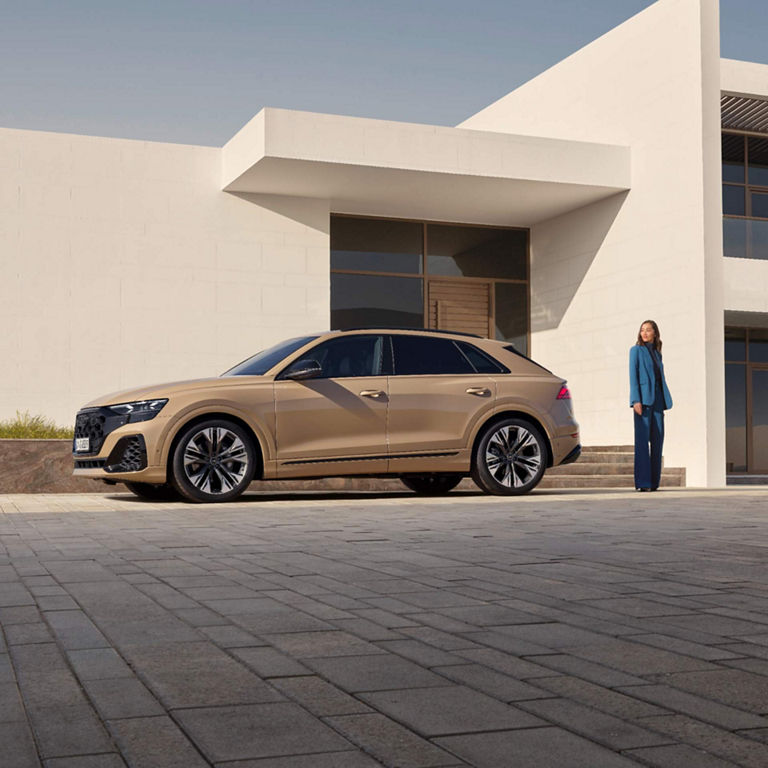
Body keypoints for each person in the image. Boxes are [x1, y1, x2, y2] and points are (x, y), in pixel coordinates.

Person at [629, 320, 673, 491]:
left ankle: (654, 482)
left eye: (648, 330)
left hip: (658, 402)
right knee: (642, 443)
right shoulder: (635, 351)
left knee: (658, 440)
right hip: (643, 402)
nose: (645, 333)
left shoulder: (657, 353)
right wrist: (635, 400)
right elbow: (633, 377)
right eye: (642, 330)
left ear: (655, 333)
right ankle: (643, 483)